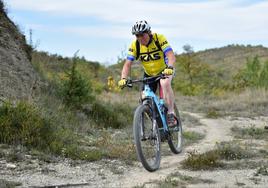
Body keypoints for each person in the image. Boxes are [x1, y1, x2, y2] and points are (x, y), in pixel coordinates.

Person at [118, 20, 177, 127]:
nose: (140, 38)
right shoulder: (135, 45)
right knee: (144, 98)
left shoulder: (159, 38)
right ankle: (158, 125)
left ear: (149, 32)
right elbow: (127, 64)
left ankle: (171, 113)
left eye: (142, 35)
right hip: (149, 74)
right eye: (137, 36)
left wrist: (170, 67)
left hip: (165, 70)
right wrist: (123, 78)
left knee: (164, 84)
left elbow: (170, 55)